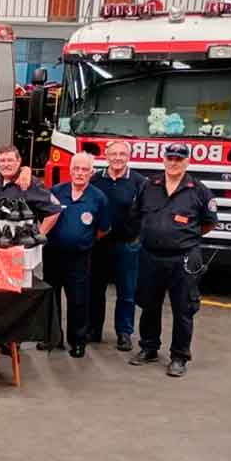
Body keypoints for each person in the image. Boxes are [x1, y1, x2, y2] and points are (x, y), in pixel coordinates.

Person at [129, 143, 217, 378]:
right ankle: (148, 348)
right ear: (164, 160)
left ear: (187, 162)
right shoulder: (149, 186)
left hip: (184, 258)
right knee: (149, 304)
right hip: (150, 256)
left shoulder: (198, 190)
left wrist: (182, 238)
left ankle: (179, 356)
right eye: (170, 158)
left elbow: (208, 223)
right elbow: (137, 214)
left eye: (179, 159)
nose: (174, 162)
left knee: (183, 309)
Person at [43, 153, 111, 358]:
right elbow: (45, 217)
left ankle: (78, 341)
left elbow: (103, 229)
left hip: (79, 258)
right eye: (76, 169)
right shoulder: (56, 191)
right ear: (70, 170)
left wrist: (81, 239)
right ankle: (53, 338)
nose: (80, 173)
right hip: (53, 254)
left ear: (91, 172)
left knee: (78, 300)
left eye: (85, 170)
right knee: (51, 297)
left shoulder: (99, 197)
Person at [89, 141, 148, 351]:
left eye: (122, 154)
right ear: (106, 155)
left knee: (127, 291)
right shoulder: (95, 179)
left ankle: (124, 332)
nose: (117, 158)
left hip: (126, 245)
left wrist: (138, 237)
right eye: (113, 154)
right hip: (99, 245)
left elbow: (147, 212)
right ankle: (93, 329)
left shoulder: (140, 182)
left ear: (129, 156)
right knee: (95, 289)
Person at [0, 145, 61, 236]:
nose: (6, 164)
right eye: (2, 160)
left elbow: (54, 211)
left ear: (18, 161)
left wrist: (38, 236)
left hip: (22, 243)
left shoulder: (30, 183)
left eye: (10, 160)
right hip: (0, 240)